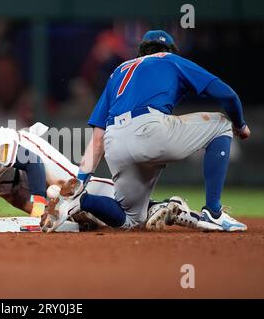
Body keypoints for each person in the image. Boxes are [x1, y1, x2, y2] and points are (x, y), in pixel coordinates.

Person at [49, 30, 250, 233]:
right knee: (222, 123)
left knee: (131, 220)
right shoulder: (171, 59)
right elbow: (228, 95)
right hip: (149, 129)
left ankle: (82, 200)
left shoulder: (119, 71)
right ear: (170, 50)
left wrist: (80, 181)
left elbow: (98, 136)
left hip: (115, 141)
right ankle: (213, 213)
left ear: (141, 52)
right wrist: (240, 125)